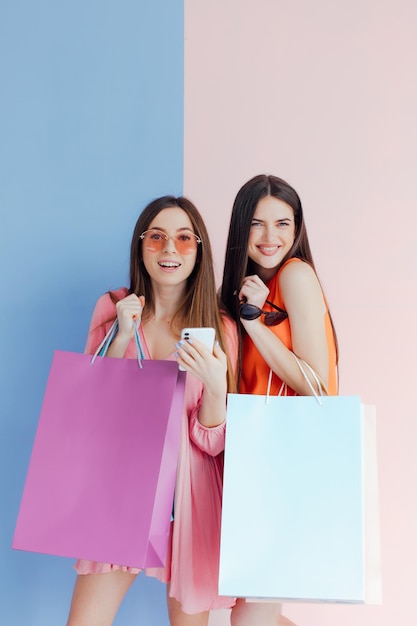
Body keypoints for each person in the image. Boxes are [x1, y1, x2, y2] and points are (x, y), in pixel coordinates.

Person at [66, 195, 237, 626]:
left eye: (184, 238)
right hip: (121, 488)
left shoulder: (221, 329)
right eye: (156, 237)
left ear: (199, 251)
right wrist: (121, 337)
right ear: (140, 246)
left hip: (193, 499)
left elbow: (212, 443)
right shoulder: (113, 309)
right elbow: (88, 412)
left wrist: (216, 390)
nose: (169, 249)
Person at [220, 174, 338, 626]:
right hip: (253, 461)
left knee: (250, 618)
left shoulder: (296, 274)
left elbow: (316, 386)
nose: (271, 238)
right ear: (240, 229)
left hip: (286, 460)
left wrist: (253, 323)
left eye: (283, 224)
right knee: (253, 616)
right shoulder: (244, 288)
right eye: (257, 224)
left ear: (297, 229)